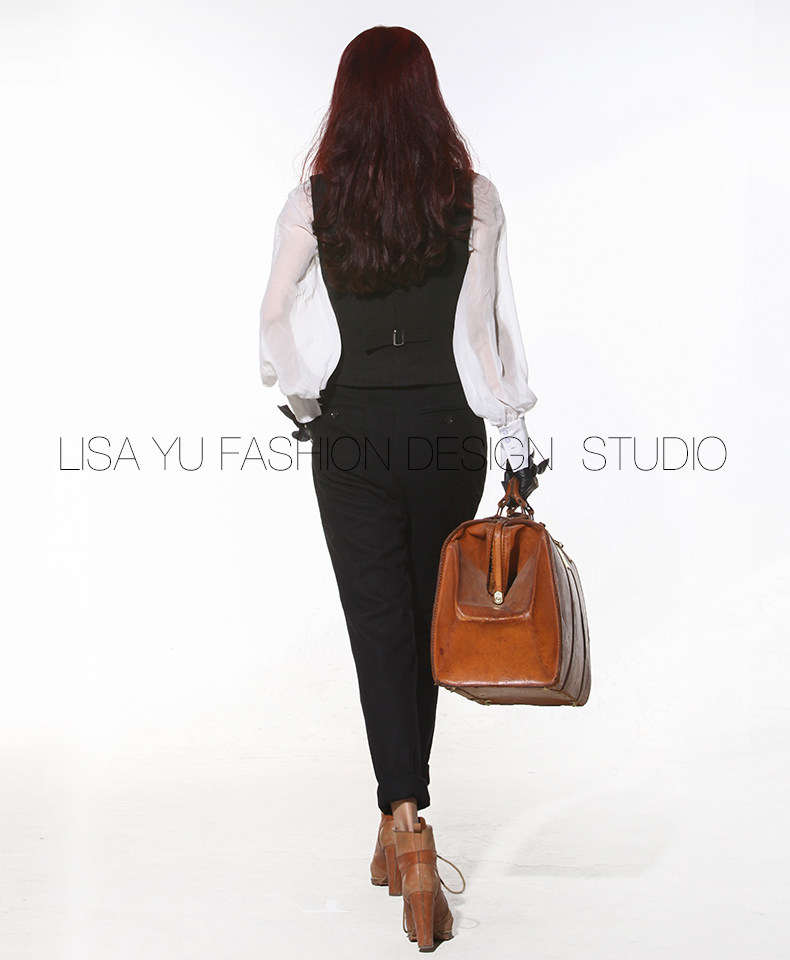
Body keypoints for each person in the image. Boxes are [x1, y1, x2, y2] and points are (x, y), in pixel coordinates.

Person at [258, 25, 538, 951]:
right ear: (428, 97)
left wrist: (308, 405)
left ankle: (407, 826)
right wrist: (512, 433)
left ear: (346, 101)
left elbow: (277, 321)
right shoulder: (474, 198)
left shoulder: (314, 201)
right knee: (423, 625)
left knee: (378, 628)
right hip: (447, 435)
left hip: (351, 435)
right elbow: (490, 331)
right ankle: (403, 816)